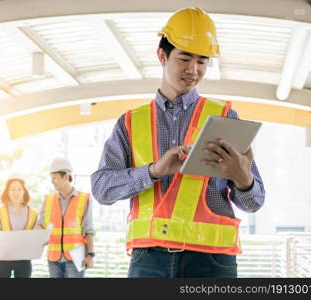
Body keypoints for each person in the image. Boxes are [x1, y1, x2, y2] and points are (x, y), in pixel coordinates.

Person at [91, 7, 265, 278]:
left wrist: (243, 180)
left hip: (212, 262)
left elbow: (254, 202)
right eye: (185, 58)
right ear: (162, 56)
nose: (193, 70)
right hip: (149, 261)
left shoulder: (224, 117)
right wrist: (152, 172)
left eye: (202, 61)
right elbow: (101, 189)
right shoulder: (129, 122)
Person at [37, 158, 95, 278]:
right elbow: (41, 225)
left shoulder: (84, 199)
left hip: (76, 258)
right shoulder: (48, 200)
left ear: (66, 176)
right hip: (53, 258)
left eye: (55, 177)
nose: (52, 181)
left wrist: (90, 255)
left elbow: (89, 230)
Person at [0, 174, 38, 278]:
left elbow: (37, 238)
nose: (16, 192)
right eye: (12, 190)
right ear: (7, 193)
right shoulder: (0, 212)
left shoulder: (33, 213)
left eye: (19, 189)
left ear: (24, 192)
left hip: (24, 261)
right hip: (3, 259)